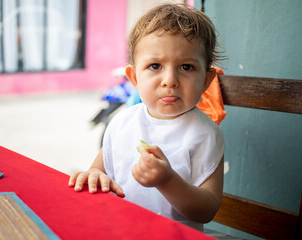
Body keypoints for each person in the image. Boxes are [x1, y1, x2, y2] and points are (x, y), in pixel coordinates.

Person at [69, 3, 225, 231]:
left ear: (206, 80)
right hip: (119, 229)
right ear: (134, 77)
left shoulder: (206, 134)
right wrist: (94, 175)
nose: (170, 80)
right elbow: (99, 169)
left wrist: (167, 181)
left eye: (186, 67)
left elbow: (207, 210)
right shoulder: (123, 122)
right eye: (155, 66)